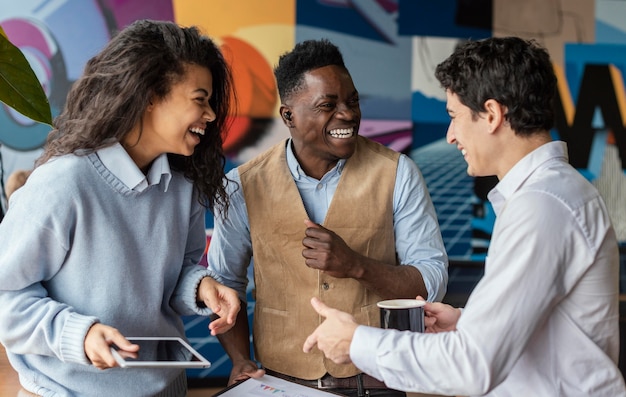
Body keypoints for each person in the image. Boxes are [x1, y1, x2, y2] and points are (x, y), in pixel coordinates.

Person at [303, 36, 626, 396]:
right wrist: (466, 322)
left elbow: (473, 365)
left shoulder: (541, 207)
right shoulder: (555, 194)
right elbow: (547, 327)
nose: (451, 135)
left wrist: (356, 344)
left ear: (491, 114)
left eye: (455, 117)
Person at [0, 19, 241, 396]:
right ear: (149, 95)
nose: (210, 115)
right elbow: (6, 297)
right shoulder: (63, 184)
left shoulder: (182, 186)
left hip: (168, 388)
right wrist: (79, 335)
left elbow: (175, 275)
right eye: (200, 99)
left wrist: (201, 286)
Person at [208, 38, 448, 397]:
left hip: (377, 381)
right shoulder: (241, 185)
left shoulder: (398, 173)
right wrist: (240, 359)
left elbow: (432, 280)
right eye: (328, 105)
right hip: (280, 381)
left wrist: (356, 265)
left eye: (352, 101)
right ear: (289, 115)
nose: (348, 114)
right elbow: (225, 284)